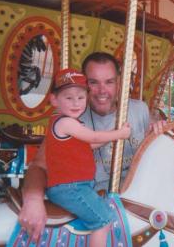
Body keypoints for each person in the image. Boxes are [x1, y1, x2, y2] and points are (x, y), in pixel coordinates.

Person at [19, 52, 164, 241]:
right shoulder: (69, 116)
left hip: (135, 209)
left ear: (119, 83)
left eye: (109, 82)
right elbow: (39, 165)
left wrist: (159, 134)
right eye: (93, 83)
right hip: (92, 204)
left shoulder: (139, 110)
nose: (102, 90)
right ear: (83, 85)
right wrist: (32, 199)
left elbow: (155, 157)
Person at [45, 68, 131, 245]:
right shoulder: (65, 122)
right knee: (104, 219)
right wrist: (119, 134)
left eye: (81, 97)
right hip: (71, 188)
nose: (76, 103)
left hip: (75, 186)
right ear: (54, 100)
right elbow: (93, 137)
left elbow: (90, 144)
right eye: (69, 98)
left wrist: (113, 136)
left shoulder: (71, 123)